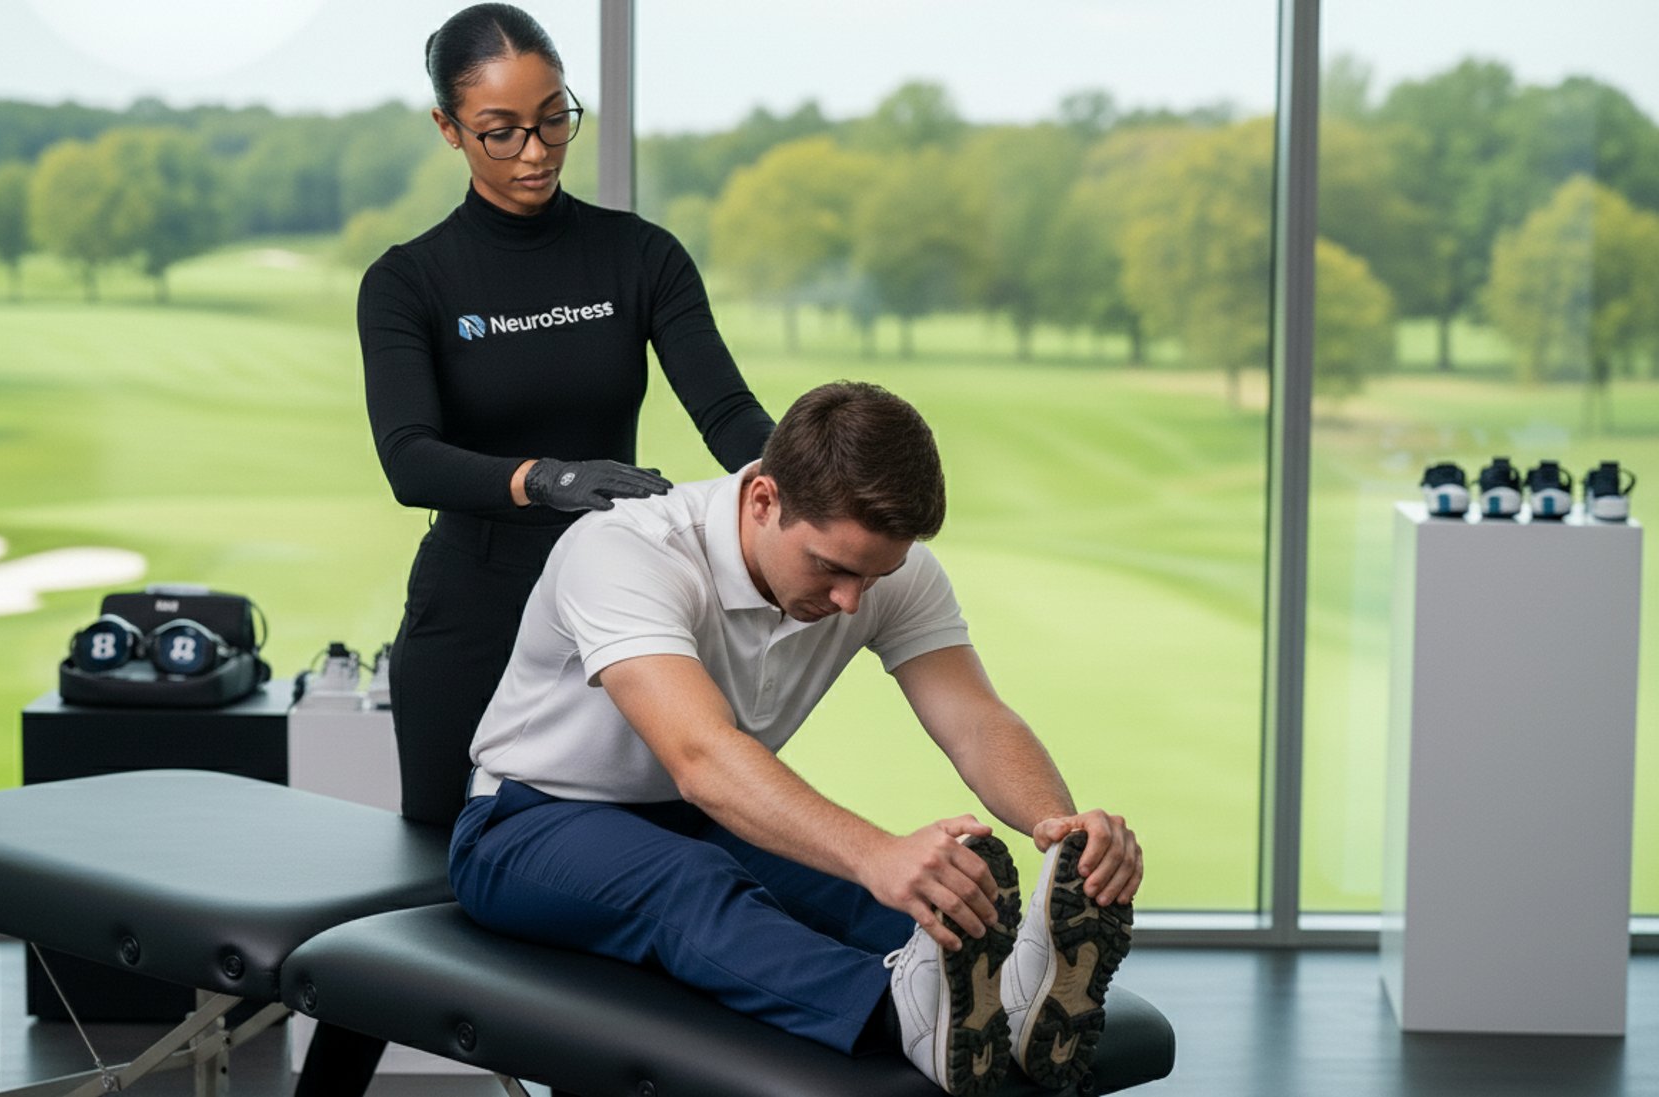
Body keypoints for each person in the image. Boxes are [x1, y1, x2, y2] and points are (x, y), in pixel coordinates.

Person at [299, 4, 774, 1091]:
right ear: (449, 131)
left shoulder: (638, 255)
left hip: (617, 622)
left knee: (635, 881)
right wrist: (544, 480)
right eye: (500, 128)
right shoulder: (410, 281)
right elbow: (410, 458)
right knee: (421, 901)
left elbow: (729, 411)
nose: (534, 151)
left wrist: (805, 471)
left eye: (553, 120)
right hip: (470, 616)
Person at [449, 381, 1142, 1095]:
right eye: (832, 568)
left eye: (877, 575)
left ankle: (1013, 994)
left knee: (884, 901)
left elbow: (976, 720)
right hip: (527, 824)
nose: (851, 600)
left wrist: (1061, 833)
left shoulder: (877, 573)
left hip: (703, 819)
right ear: (763, 501)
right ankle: (900, 1013)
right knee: (699, 884)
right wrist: (877, 851)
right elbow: (701, 755)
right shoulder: (627, 552)